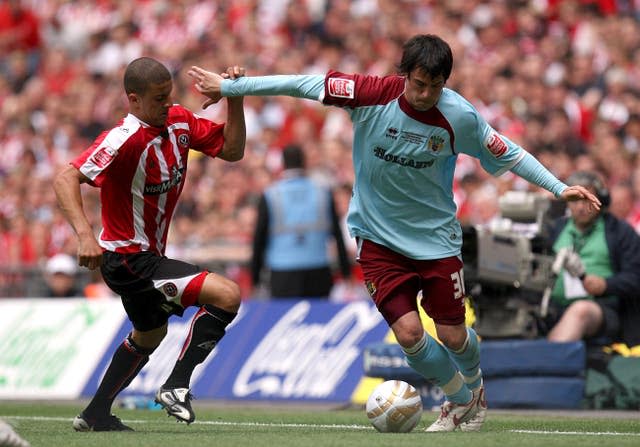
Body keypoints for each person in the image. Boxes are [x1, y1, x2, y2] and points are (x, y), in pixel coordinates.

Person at [188, 34, 600, 432]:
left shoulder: (459, 116)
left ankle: (475, 385)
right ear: (405, 74)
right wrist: (231, 86)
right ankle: (459, 399)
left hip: (436, 240)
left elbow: (509, 153)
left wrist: (559, 187)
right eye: (419, 84)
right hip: (377, 238)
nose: (425, 94)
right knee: (408, 333)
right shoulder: (369, 93)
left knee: (454, 335)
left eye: (435, 86)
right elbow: (300, 83)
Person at [53, 56, 246, 431]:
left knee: (150, 334)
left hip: (147, 257)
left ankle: (95, 414)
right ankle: (176, 385)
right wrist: (84, 235)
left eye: (168, 96)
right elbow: (65, 177)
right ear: (134, 99)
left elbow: (233, 150)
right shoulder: (121, 140)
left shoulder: (179, 121)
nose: (165, 105)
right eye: (157, 99)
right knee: (228, 294)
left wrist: (234, 98)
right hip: (127, 259)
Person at [541, 171, 640, 344]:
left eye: (587, 199)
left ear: (601, 199)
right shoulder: (554, 229)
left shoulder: (620, 231)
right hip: (553, 307)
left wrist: (606, 285)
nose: (580, 207)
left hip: (603, 309)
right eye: (574, 200)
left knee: (580, 311)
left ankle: (548, 365)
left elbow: (635, 277)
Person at [251, 144, 351, 298]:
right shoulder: (323, 192)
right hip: (318, 269)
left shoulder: (271, 195)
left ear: (283, 164)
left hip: (282, 271)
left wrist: (255, 278)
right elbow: (337, 235)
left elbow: (259, 239)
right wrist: (345, 272)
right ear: (304, 162)